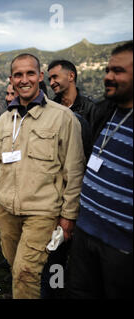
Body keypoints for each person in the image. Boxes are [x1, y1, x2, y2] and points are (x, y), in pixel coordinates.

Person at [0, 53, 85, 299]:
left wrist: (68, 216)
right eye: (18, 75)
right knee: (17, 269)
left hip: (42, 212)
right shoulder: (3, 121)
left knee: (25, 273)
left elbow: (73, 171)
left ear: (39, 76)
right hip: (7, 211)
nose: (24, 79)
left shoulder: (63, 117)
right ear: (11, 80)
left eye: (30, 73)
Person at [67, 41, 133, 299]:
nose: (108, 77)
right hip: (86, 234)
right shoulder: (105, 111)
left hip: (121, 249)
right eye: (107, 70)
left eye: (118, 71)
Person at [48, 59, 94, 161]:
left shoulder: (91, 109)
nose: (51, 83)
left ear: (71, 76)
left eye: (55, 77)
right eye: (49, 79)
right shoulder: (49, 109)